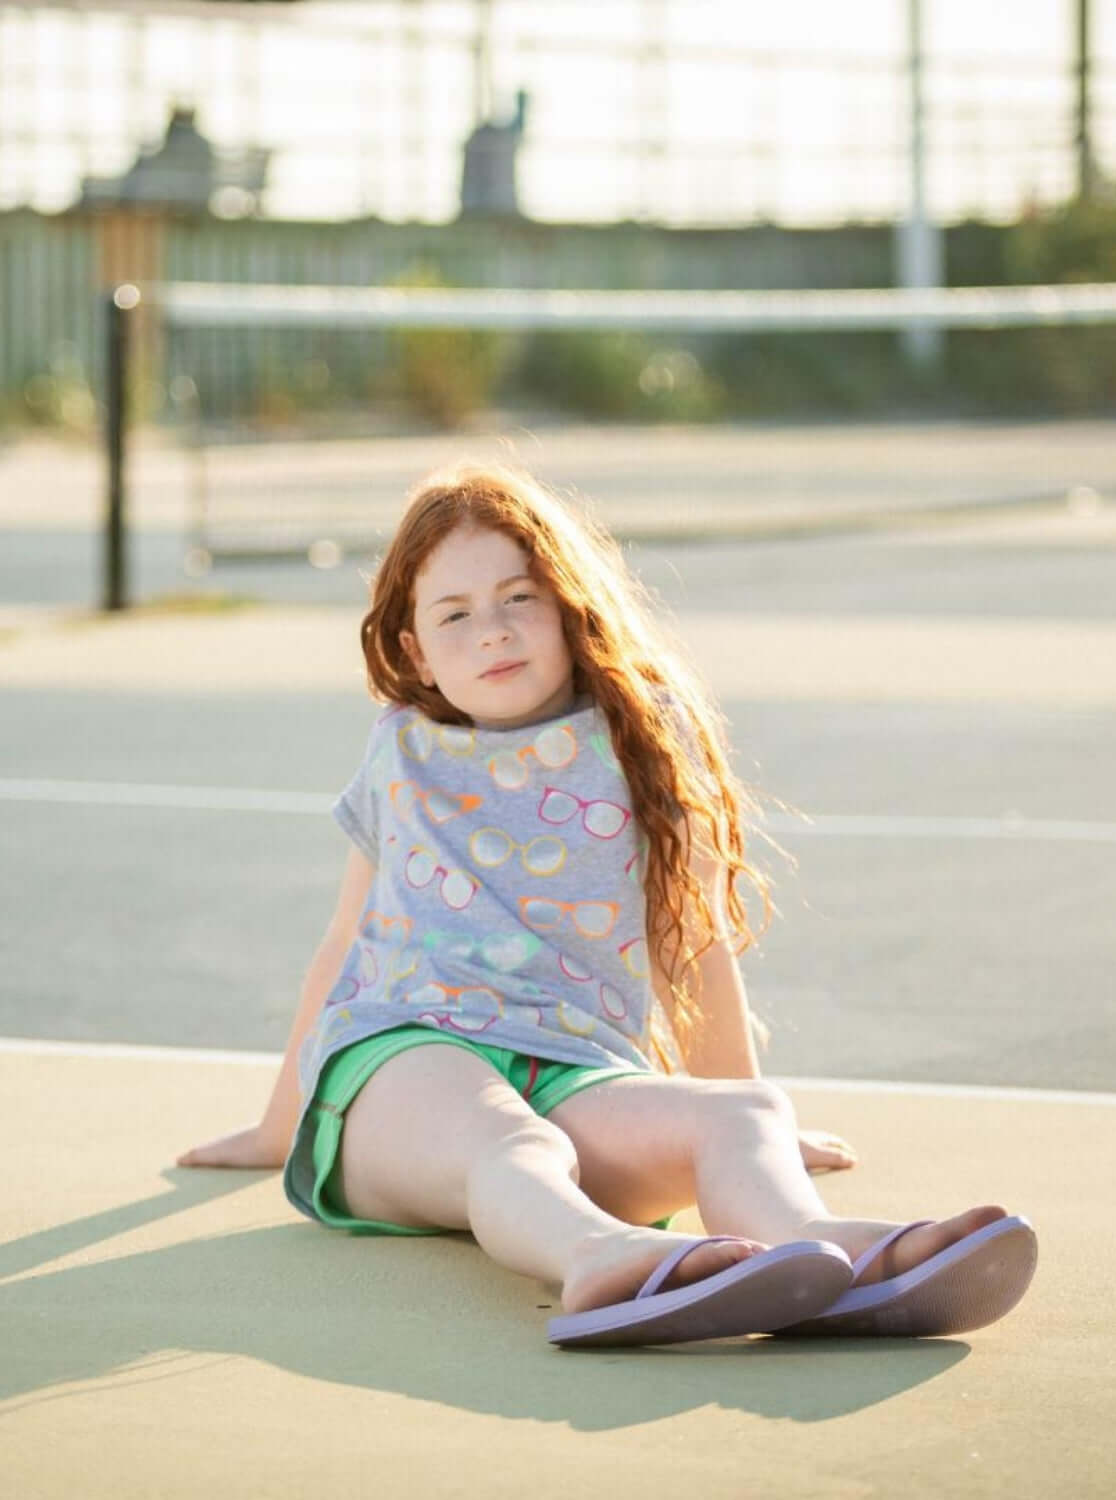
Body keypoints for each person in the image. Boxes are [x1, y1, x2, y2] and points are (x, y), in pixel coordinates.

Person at [179, 463, 1036, 1347]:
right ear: (412, 648)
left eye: (520, 597)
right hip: (399, 1071)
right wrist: (281, 1127)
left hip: (577, 1071)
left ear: (567, 606)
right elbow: (340, 944)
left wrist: (760, 1134)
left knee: (742, 1115)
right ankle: (599, 1259)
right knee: (508, 1142)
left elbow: (689, 940)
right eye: (456, 614)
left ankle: (821, 1253)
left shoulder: (639, 736)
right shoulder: (402, 750)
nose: (494, 632)